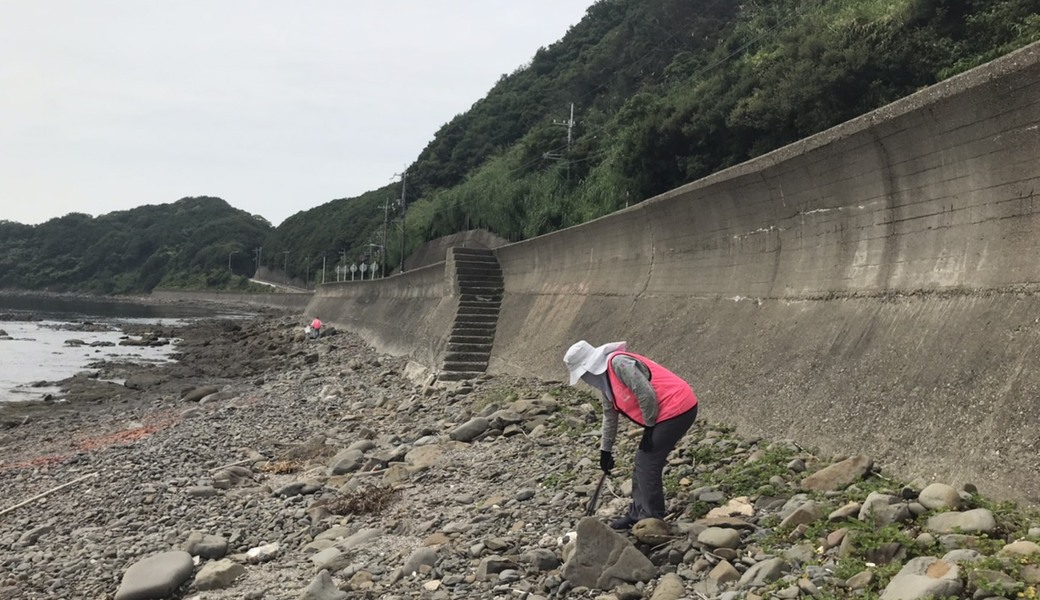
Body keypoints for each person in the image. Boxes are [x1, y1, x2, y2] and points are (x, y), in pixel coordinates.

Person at [564, 340, 698, 530]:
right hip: (665, 413)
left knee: (647, 460)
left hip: (678, 407)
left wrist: (649, 428)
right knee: (641, 462)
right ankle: (638, 513)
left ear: (589, 368)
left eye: (583, 374)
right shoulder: (606, 384)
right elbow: (609, 416)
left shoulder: (618, 364)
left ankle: (652, 519)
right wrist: (605, 450)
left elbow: (646, 393)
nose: (585, 379)